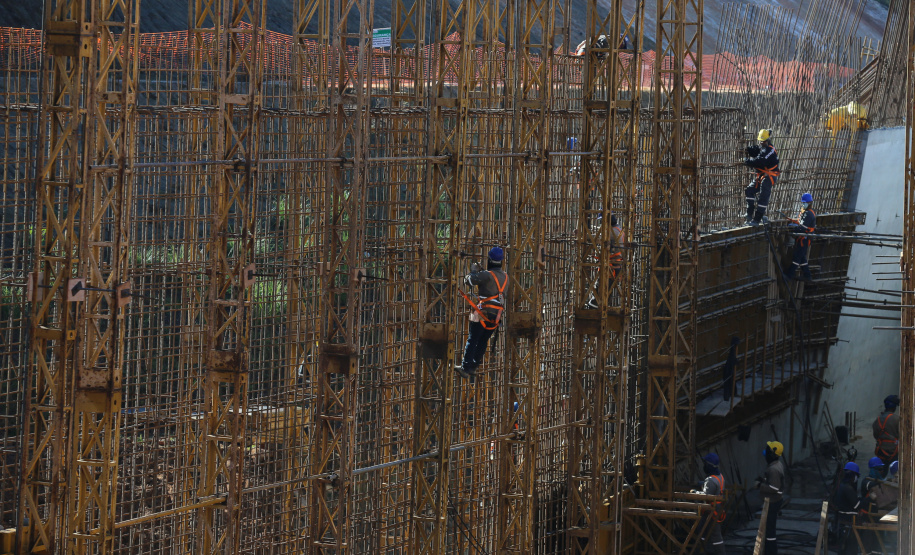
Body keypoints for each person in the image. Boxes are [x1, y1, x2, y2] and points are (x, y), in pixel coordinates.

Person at [457, 247, 509, 379]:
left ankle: (465, 367)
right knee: (483, 341)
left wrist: (474, 271)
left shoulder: (486, 275)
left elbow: (468, 281)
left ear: (490, 260)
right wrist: (481, 273)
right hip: (496, 316)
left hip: (482, 313)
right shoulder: (506, 277)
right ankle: (473, 367)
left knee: (473, 338)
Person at [585, 214, 624, 309]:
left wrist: (583, 235)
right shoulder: (619, 229)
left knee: (601, 292)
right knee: (606, 292)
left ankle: (594, 309)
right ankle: (598, 307)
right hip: (615, 266)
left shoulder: (612, 232)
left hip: (610, 268)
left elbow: (597, 239)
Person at [743, 129, 780, 226]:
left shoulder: (770, 150)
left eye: (763, 141)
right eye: (760, 141)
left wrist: (748, 161)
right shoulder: (763, 148)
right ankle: (749, 214)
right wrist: (747, 149)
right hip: (763, 176)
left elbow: (761, 161)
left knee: (763, 197)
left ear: (767, 141)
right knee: (749, 190)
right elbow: (756, 150)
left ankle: (757, 219)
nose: (761, 143)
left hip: (769, 177)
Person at [755, 441, 785, 555]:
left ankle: (770, 551)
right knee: (768, 528)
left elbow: (774, 488)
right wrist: (763, 480)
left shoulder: (773, 469)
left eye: (768, 450)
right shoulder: (776, 465)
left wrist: (760, 486)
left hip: (773, 501)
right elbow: (772, 482)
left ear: (772, 454)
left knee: (769, 530)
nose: (765, 452)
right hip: (773, 501)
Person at [696, 453, 727, 554]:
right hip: (717, 509)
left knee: (713, 534)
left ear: (709, 465)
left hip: (711, 511)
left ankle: (710, 551)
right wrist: (703, 483)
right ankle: (704, 549)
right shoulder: (719, 476)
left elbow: (706, 495)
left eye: (705, 463)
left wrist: (695, 492)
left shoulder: (711, 481)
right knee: (707, 532)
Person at [785, 192, 816, 281]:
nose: (803, 204)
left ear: (809, 203)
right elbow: (801, 223)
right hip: (803, 238)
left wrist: (793, 229)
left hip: (804, 239)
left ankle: (789, 275)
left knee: (797, 257)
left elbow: (802, 228)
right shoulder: (807, 212)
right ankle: (807, 276)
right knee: (802, 258)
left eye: (804, 203)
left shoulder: (808, 214)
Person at [833, 462, 862, 555]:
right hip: (848, 521)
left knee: (843, 547)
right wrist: (867, 499)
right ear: (853, 476)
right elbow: (857, 505)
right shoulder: (848, 489)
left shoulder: (841, 486)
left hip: (842, 519)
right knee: (850, 548)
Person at [873, 394, 900, 469]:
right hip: (894, 451)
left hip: (880, 451)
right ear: (894, 407)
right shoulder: (897, 419)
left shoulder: (877, 420)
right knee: (895, 473)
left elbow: (875, 435)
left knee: (881, 473)